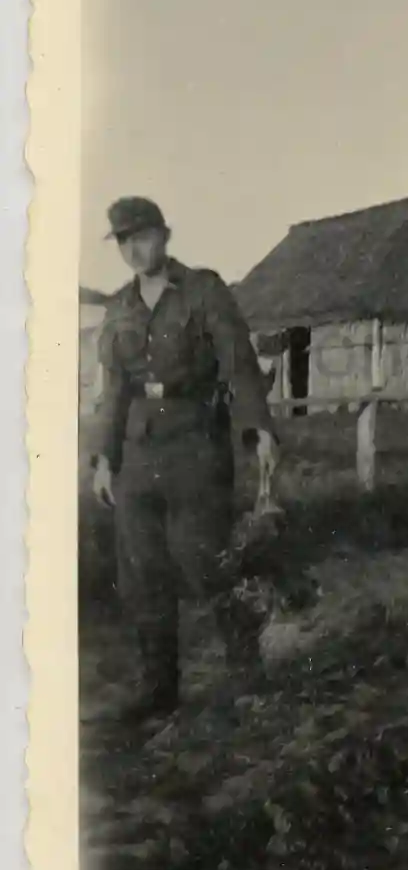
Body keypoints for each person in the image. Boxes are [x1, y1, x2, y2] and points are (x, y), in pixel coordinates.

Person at [87, 196, 281, 724]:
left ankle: (247, 678)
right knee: (142, 573)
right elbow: (112, 392)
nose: (133, 249)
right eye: (124, 241)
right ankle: (159, 690)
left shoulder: (203, 290)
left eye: (142, 237)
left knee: (209, 561)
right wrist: (102, 458)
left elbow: (238, 362)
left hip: (195, 443)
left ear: (165, 235)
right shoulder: (119, 308)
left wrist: (256, 427)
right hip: (136, 452)